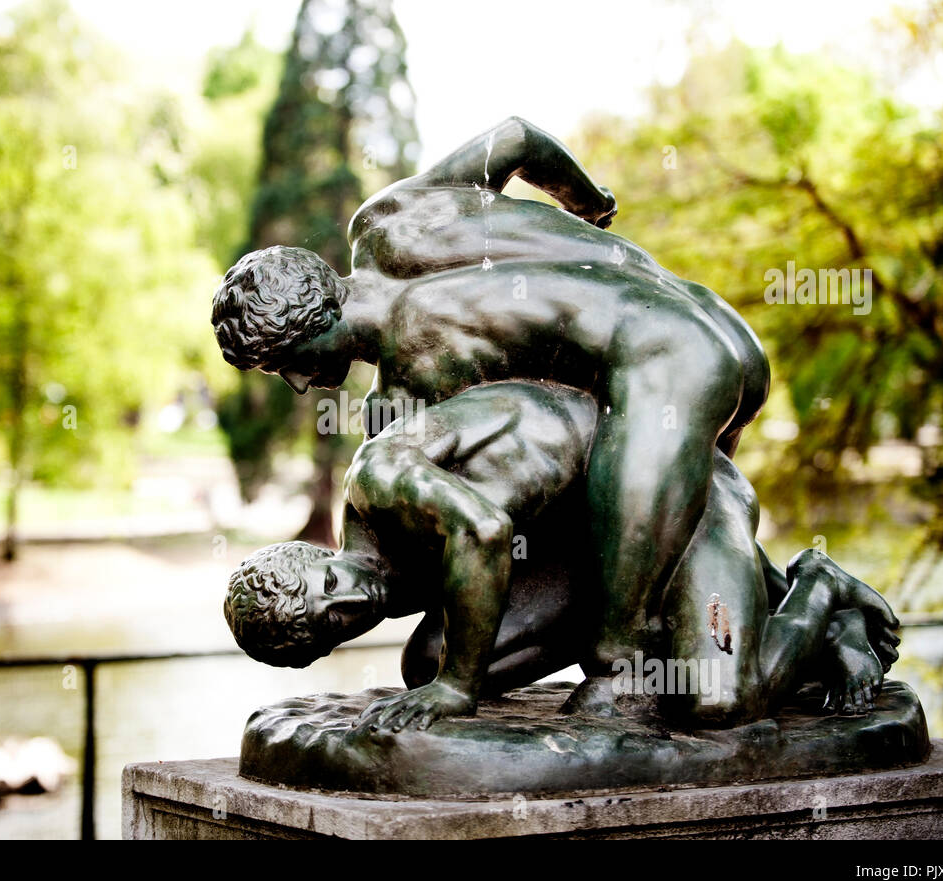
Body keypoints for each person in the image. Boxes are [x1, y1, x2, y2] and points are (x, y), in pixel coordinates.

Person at [212, 115, 772, 665]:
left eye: (286, 363)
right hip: (711, 321)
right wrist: (590, 204)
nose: (300, 383)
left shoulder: (410, 390)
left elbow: (481, 519)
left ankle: (670, 660)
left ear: (314, 321)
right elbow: (516, 139)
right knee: (689, 559)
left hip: (671, 370)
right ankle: (808, 616)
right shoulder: (387, 219)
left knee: (618, 646)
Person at [223, 381, 898, 732]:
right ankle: (709, 630)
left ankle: (818, 588)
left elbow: (484, 530)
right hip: (599, 557)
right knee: (426, 659)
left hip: (659, 487)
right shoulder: (385, 579)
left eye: (330, 585)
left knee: (716, 703)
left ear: (314, 553)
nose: (352, 604)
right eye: (335, 625)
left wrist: (457, 688)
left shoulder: (380, 483)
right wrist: (445, 674)